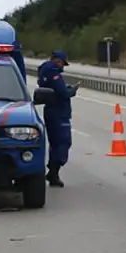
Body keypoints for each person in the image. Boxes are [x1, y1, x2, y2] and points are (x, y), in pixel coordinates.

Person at [37, 51, 78, 187]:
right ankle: (53, 171)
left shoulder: (44, 71)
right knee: (63, 143)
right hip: (58, 112)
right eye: (62, 63)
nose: (62, 67)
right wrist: (72, 90)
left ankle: (53, 172)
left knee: (55, 143)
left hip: (51, 111)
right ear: (56, 60)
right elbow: (63, 93)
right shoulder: (52, 73)